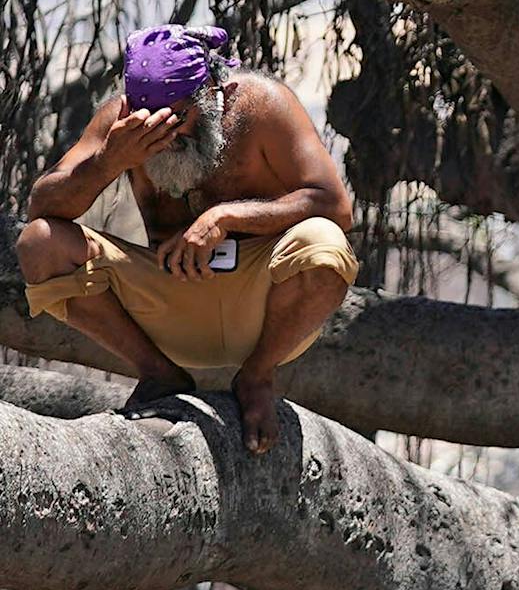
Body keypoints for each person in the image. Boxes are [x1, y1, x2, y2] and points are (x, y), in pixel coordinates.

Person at [15, 24, 358, 456]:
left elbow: (336, 207)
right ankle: (159, 374)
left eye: (178, 118)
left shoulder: (263, 106)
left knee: (324, 244)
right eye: (152, 122)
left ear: (215, 93)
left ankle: (256, 376)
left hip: (262, 307)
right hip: (166, 303)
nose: (166, 136)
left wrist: (227, 216)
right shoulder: (121, 124)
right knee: (40, 242)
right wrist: (107, 161)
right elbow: (42, 206)